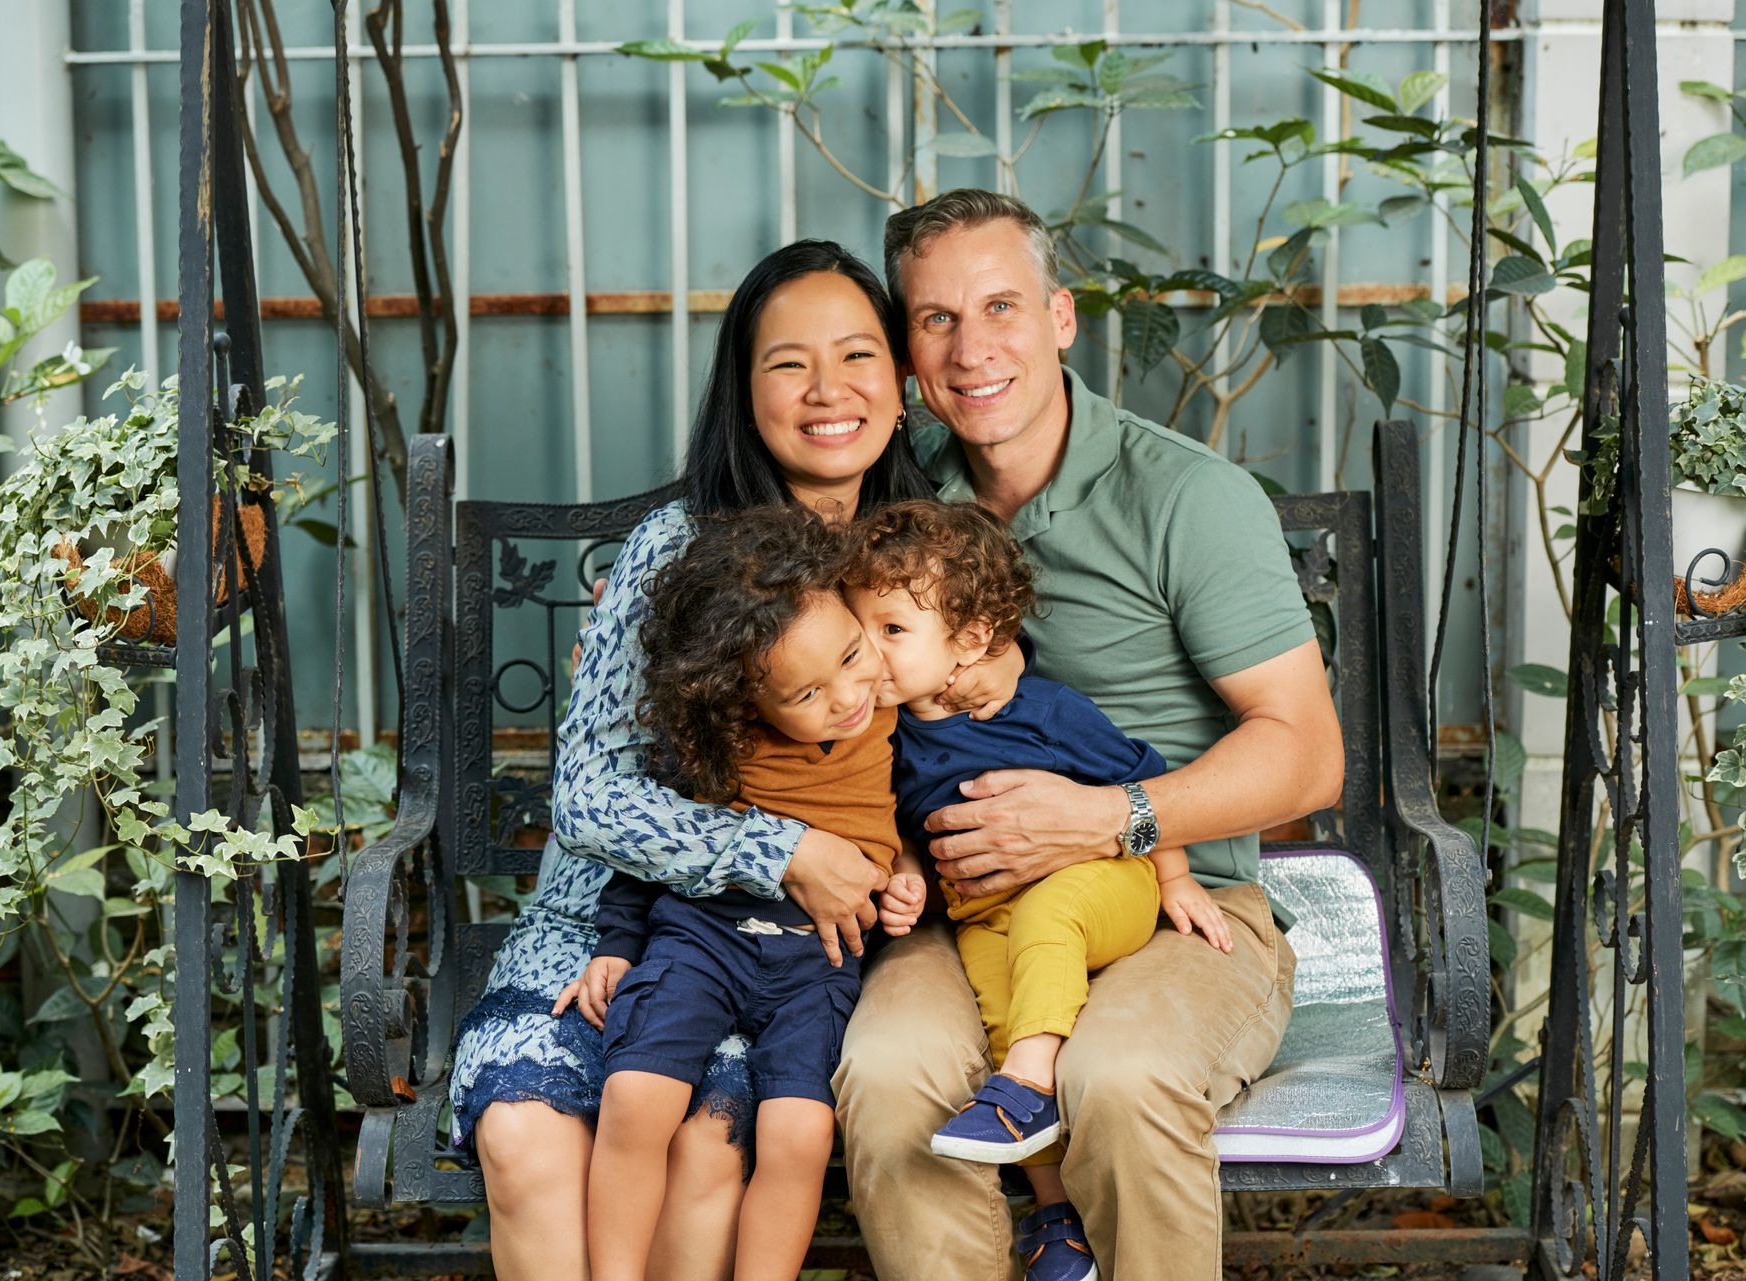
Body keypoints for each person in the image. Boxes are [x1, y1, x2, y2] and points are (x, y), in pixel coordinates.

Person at [447, 238, 1000, 1280]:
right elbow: (589, 797)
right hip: (614, 921)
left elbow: (943, 762)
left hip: (799, 958)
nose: (827, 389)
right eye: (789, 362)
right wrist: (780, 848)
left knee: (708, 1141)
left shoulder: (927, 562)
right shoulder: (677, 548)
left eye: (858, 356)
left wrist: (904, 870)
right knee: (527, 1137)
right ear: (743, 393)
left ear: (903, 382)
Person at [833, 189, 1345, 1281]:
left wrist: (1113, 817)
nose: (973, 350)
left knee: (1120, 1075)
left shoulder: (1186, 498)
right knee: (886, 1071)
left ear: (1062, 319)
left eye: (1002, 306)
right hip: (965, 909)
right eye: (936, 320)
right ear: (908, 348)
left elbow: (1306, 752)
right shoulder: (900, 500)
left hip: (1178, 902)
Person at [841, 499, 1231, 1280]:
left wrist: (1177, 877)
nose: (869, 653)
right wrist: (910, 875)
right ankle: (1057, 1215)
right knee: (997, 1015)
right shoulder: (884, 731)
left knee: (1047, 927)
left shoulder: (1044, 711)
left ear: (972, 638)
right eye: (860, 630)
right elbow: (908, 825)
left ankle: (1032, 1071)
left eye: (892, 632)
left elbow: (1141, 777)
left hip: (1100, 885)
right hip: (987, 914)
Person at [575, 506, 925, 1281]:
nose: (845, 695)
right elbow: (648, 849)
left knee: (800, 1132)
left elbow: (918, 814)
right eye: (804, 693)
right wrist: (614, 945)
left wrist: (909, 878)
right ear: (743, 700)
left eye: (850, 653)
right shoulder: (719, 744)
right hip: (703, 939)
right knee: (635, 1094)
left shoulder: (899, 711)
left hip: (819, 960)